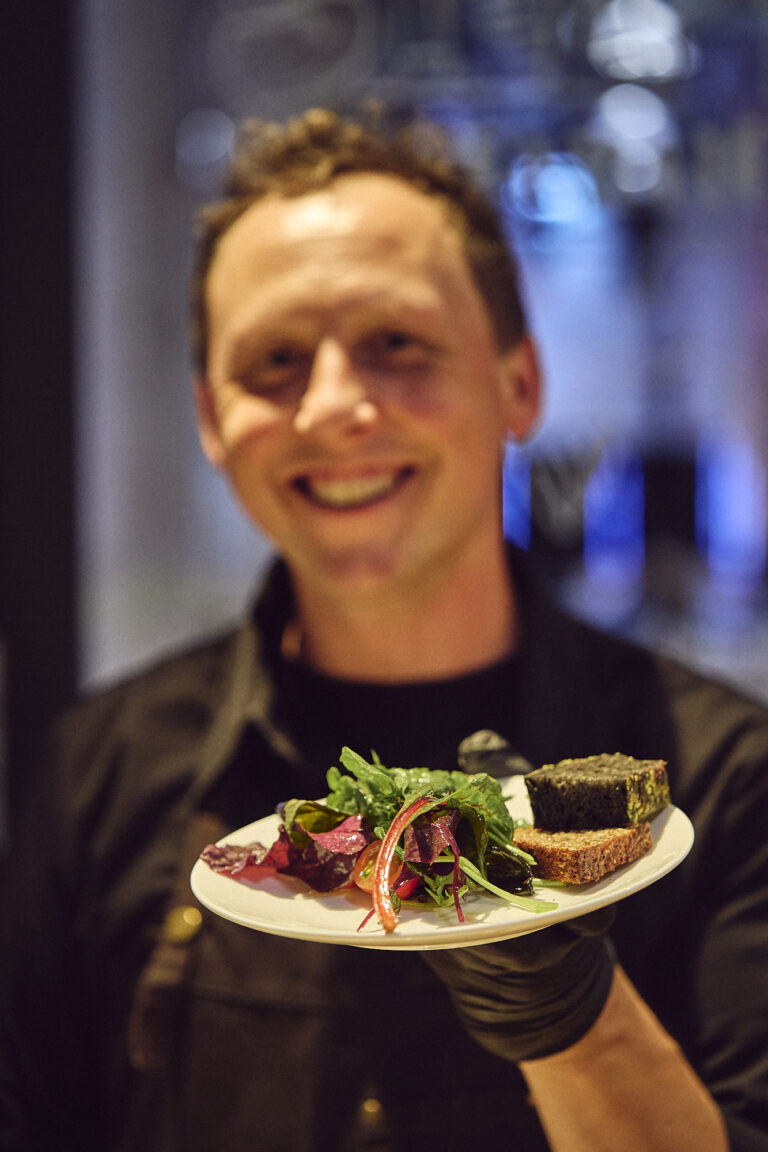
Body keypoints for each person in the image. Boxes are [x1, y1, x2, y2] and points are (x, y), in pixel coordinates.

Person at [1, 107, 767, 1152]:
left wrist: (567, 1011)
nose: (330, 406)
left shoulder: (725, 774)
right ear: (212, 422)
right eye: (272, 361)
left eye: (395, 344)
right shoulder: (105, 766)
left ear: (520, 383)